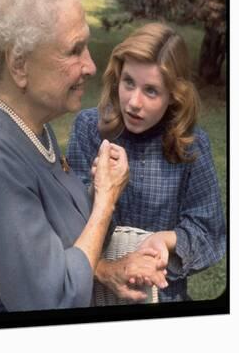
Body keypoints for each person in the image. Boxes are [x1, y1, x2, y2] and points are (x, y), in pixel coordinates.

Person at [0, 0, 168, 315]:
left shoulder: (29, 122)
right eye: (75, 50)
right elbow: (51, 300)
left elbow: (42, 244)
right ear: (19, 63)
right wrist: (106, 199)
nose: (91, 66)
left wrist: (101, 268)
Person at [67, 22, 226, 302]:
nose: (133, 103)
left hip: (160, 296)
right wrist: (98, 191)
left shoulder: (190, 145)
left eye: (151, 91)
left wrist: (166, 240)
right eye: (129, 82)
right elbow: (66, 222)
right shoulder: (90, 129)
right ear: (118, 77)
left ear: (174, 95)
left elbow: (209, 232)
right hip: (95, 292)